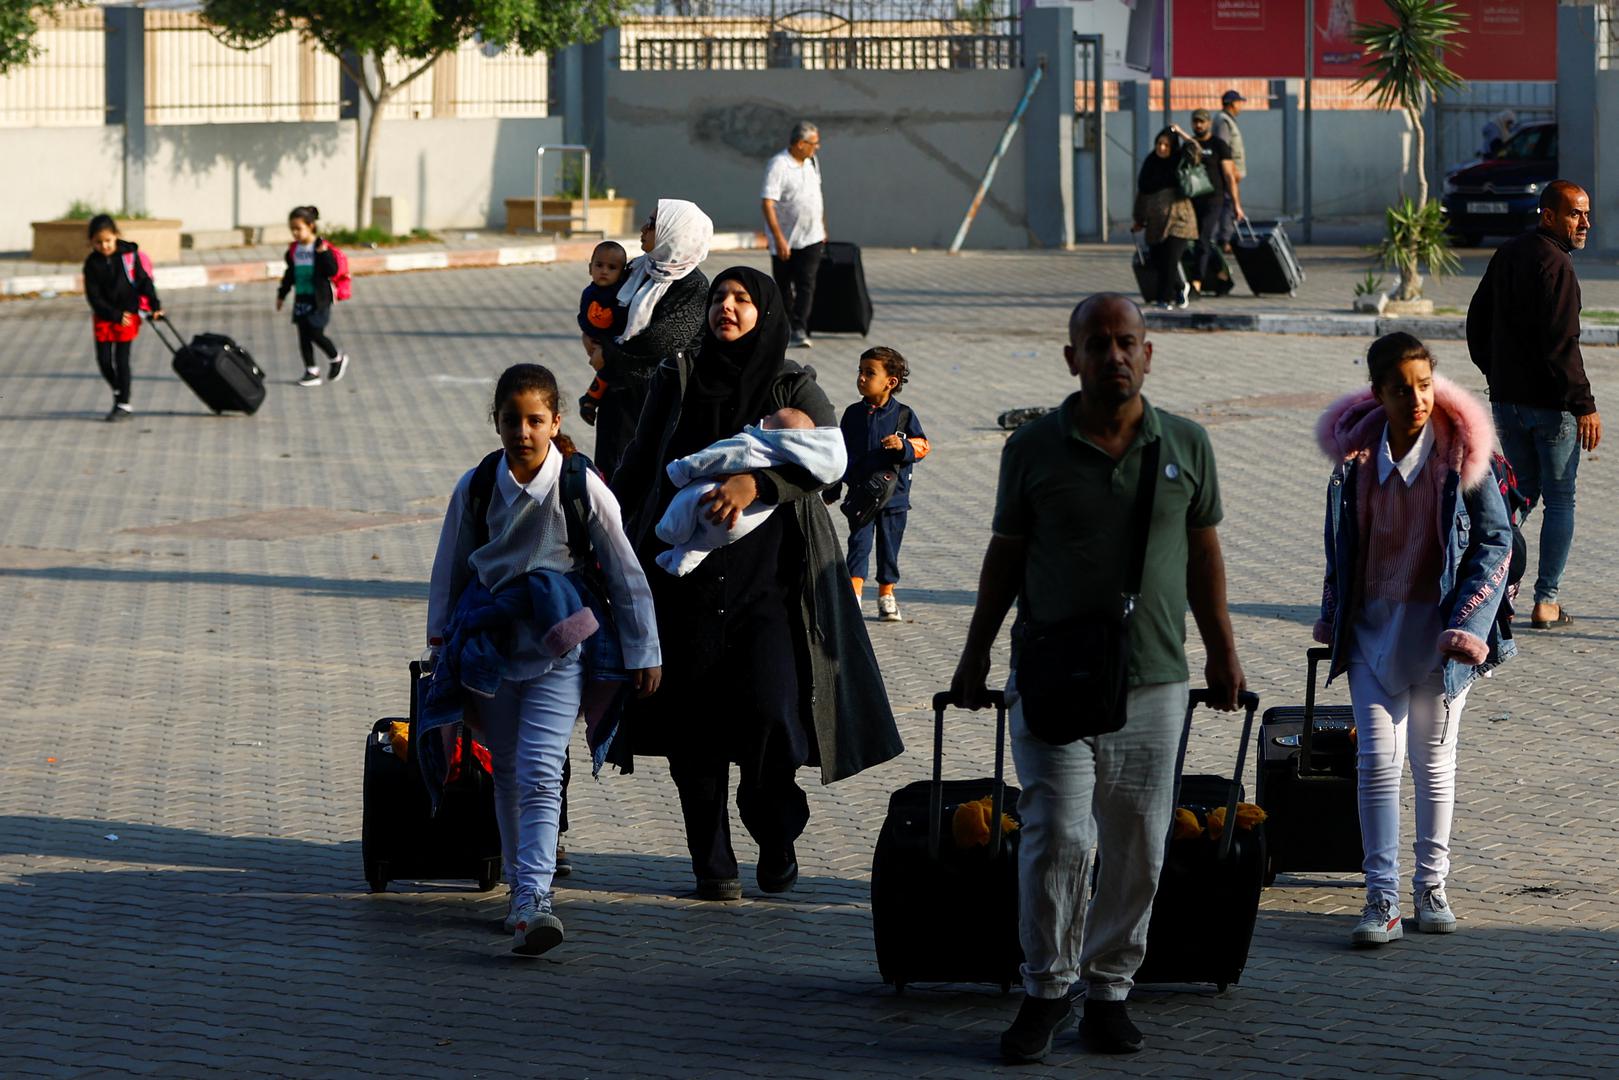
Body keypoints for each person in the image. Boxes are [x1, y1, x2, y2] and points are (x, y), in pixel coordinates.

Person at [951, 293, 1244, 1062]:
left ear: (1148, 354)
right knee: (1057, 837)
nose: (1113, 355)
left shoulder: (1185, 443)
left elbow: (1204, 556)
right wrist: (975, 652)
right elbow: (1004, 558)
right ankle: (1046, 989)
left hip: (1153, 679)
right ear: (1070, 358)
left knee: (1140, 841)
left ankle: (1109, 989)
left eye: (1126, 342)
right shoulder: (1034, 449)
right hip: (1050, 675)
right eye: (1097, 343)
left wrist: (1221, 651)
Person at [611, 266, 902, 902]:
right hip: (682, 579)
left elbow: (830, 462)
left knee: (771, 713)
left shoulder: (791, 381)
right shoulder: (679, 375)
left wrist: (758, 484)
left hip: (771, 583)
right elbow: (638, 461)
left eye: (743, 299)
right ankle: (710, 861)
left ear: (764, 312)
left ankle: (775, 831)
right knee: (694, 727)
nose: (729, 308)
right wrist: (600, 524)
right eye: (719, 297)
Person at [424, 363, 661, 956]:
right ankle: (518, 889)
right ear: (497, 423)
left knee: (538, 767)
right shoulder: (476, 486)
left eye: (536, 420)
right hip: (488, 650)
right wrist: (438, 644)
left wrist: (644, 649)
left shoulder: (580, 485)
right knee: (506, 767)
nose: (524, 432)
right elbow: (450, 566)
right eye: (512, 420)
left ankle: (535, 896)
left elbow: (626, 571)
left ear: (556, 422)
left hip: (563, 649)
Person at [1313, 333, 1514, 946]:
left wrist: (1469, 623)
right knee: (1376, 763)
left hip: (1441, 637)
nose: (1416, 399)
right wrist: (1331, 616)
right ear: (1378, 392)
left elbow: (1495, 543)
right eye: (1402, 388)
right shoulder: (1354, 465)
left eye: (1425, 385)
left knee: (1432, 765)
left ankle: (1431, 887)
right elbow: (1339, 553)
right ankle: (1381, 900)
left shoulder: (1462, 457)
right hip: (1374, 632)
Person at [1466, 180, 1602, 630]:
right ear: (1548, 215)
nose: (1584, 223)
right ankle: (1546, 601)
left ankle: (1488, 584)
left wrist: (1496, 374)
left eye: (1586, 214)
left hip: (1509, 402)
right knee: (1560, 499)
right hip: (1552, 408)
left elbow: (1476, 322)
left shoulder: (1510, 253)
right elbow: (1564, 346)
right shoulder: (1557, 266)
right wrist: (1584, 405)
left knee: (1520, 495)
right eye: (1574, 214)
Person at [583, 199, 713, 481]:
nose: (643, 228)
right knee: (610, 472)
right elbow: (606, 309)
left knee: (644, 477)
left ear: (675, 232)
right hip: (619, 392)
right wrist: (591, 334)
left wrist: (606, 352)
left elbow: (661, 342)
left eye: (653, 224)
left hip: (659, 399)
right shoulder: (638, 269)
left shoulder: (692, 286)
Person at [655, 406, 847, 578]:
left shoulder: (752, 444)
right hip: (748, 520)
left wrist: (680, 471)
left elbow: (717, 456)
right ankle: (681, 561)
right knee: (703, 544)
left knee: (688, 500)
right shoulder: (795, 454)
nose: (766, 415)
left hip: (722, 505)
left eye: (770, 417)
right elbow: (830, 462)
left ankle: (669, 532)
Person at [830, 346, 930, 622]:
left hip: (894, 497)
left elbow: (923, 446)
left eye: (869, 373)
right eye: (860, 371)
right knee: (858, 544)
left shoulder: (904, 416)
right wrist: (834, 486)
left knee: (889, 548)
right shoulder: (852, 414)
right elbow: (841, 452)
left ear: (891, 382)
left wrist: (903, 446)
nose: (861, 378)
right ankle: (855, 597)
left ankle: (887, 594)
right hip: (861, 495)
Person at [82, 214, 163, 422]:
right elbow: (94, 297)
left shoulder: (129, 256)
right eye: (98, 242)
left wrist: (155, 305)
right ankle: (120, 390)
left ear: (116, 236)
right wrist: (113, 315)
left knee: (121, 360)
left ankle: (123, 404)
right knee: (103, 361)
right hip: (105, 316)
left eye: (108, 241)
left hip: (128, 315)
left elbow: (144, 282)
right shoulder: (91, 265)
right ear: (91, 242)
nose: (104, 246)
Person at [761, 121, 827, 349]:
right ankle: (785, 325)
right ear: (800, 144)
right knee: (783, 285)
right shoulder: (778, 165)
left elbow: (815, 197)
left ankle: (799, 327)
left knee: (806, 283)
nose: (817, 147)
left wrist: (822, 226)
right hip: (785, 239)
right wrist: (778, 238)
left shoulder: (812, 162)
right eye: (814, 143)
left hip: (812, 236)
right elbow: (768, 203)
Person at [275, 205, 350, 388]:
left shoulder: (321, 247)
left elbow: (332, 271)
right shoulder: (294, 250)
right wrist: (282, 294)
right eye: (292, 229)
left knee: (315, 332)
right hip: (302, 297)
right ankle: (311, 371)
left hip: (320, 299)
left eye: (298, 228)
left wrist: (323, 254)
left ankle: (336, 357)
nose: (295, 233)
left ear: (311, 226)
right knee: (303, 336)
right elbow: (290, 274)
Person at [1132, 126, 1201, 309]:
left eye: (1166, 145)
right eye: (1159, 144)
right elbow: (1143, 192)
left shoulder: (1179, 161)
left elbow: (1195, 150)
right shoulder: (1150, 163)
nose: (1162, 148)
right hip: (1156, 223)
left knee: (1170, 259)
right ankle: (1181, 287)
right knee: (1159, 260)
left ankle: (1164, 299)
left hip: (1180, 219)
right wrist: (1139, 219)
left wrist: (1180, 133)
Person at [1189, 108, 1243, 295]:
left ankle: (1196, 283)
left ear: (1209, 123)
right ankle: (1222, 275)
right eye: (1195, 121)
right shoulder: (1189, 144)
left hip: (1214, 199)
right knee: (1198, 241)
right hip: (1193, 200)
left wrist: (1236, 204)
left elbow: (1229, 175)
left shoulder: (1218, 145)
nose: (1198, 125)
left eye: (1202, 121)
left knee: (1203, 238)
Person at [576, 240, 629, 427]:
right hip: (598, 339)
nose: (604, 271)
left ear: (622, 273)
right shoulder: (590, 293)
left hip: (614, 342)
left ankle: (590, 400)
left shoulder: (622, 294)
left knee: (608, 371)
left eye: (612, 267)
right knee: (606, 371)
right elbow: (583, 316)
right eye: (599, 265)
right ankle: (590, 400)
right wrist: (589, 335)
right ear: (590, 268)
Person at [1211, 90, 1247, 249]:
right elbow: (1223, 148)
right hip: (1227, 172)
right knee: (1228, 203)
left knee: (1229, 203)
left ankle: (1225, 237)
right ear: (1232, 103)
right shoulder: (1223, 121)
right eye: (1239, 102)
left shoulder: (1227, 120)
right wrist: (1230, 171)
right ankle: (1224, 240)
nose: (1241, 106)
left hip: (1231, 172)